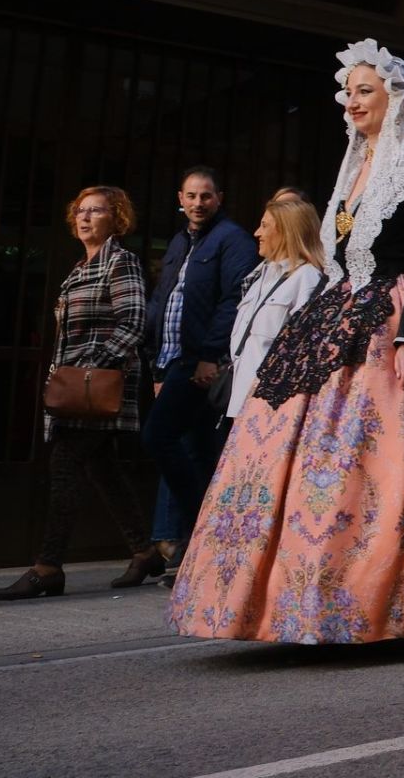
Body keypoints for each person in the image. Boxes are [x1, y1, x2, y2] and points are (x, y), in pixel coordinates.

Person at [167, 40, 404, 642]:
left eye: (365, 91)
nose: (352, 102)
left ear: (396, 99)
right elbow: (341, 265)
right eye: (349, 92)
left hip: (401, 312)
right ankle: (297, 597)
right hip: (344, 311)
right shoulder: (353, 173)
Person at [0, 187, 154, 598]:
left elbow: (134, 324)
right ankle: (145, 551)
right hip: (77, 388)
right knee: (103, 470)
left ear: (116, 218)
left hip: (97, 386)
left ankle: (48, 566)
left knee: (64, 467)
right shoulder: (79, 268)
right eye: (80, 211)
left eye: (95, 211)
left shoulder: (121, 261)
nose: (84, 218)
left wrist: (91, 366)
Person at [141, 166, 255, 562]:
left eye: (206, 195)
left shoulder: (233, 239)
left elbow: (233, 301)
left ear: (219, 198)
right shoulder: (178, 241)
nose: (198, 203)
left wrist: (210, 355)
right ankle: (193, 544)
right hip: (172, 359)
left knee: (158, 436)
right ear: (180, 199)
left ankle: (198, 527)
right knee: (198, 449)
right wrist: (156, 364)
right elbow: (163, 298)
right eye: (191, 196)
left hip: (198, 360)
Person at [220, 198, 326, 419]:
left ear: (287, 231)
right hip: (240, 399)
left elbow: (304, 351)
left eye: (265, 225)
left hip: (272, 407)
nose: (257, 233)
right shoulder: (261, 276)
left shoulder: (308, 279)